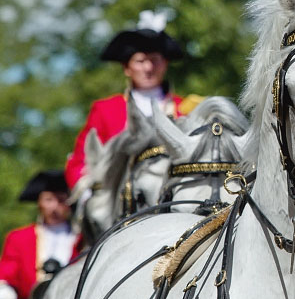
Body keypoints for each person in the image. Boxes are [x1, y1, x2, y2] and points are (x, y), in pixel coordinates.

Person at [64, 10, 199, 192]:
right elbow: (80, 162)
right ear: (127, 68)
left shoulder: (187, 108)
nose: (148, 68)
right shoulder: (105, 110)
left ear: (165, 64)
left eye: (155, 60)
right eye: (140, 61)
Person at [0, 170, 79, 299]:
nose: (55, 207)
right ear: (39, 202)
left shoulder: (82, 238)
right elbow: (7, 271)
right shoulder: (20, 238)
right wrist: (2, 292)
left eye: (61, 200)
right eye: (49, 199)